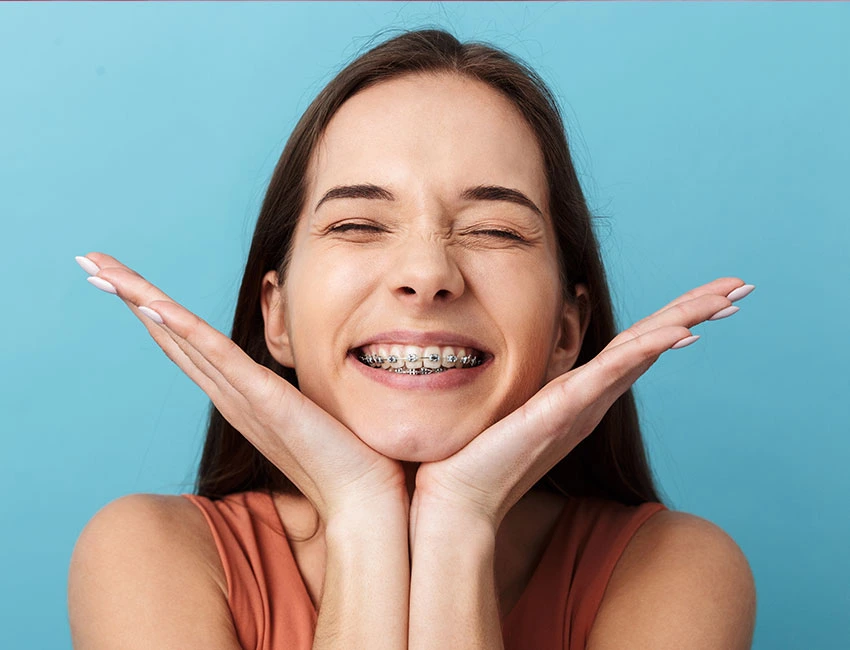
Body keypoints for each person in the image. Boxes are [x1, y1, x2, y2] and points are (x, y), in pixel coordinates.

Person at [68, 29, 756, 649]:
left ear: (566, 331)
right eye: (358, 225)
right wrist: (362, 516)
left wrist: (459, 524)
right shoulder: (146, 555)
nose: (427, 275)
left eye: (494, 230)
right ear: (276, 317)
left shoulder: (676, 569)